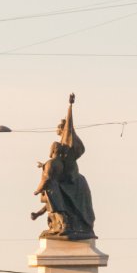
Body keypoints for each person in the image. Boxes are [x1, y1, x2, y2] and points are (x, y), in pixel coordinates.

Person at [32, 95, 97, 240]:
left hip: (70, 180)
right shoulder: (60, 149)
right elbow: (56, 166)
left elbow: (57, 171)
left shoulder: (67, 144)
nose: (56, 129)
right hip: (62, 179)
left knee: (51, 191)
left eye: (59, 128)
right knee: (50, 194)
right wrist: (44, 166)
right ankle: (59, 224)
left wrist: (70, 107)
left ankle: (66, 225)